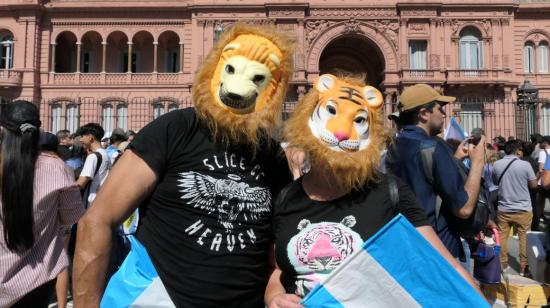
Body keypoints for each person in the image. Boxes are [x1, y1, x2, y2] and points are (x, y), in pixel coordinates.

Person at [73, 23, 294, 307]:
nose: (240, 89)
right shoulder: (175, 129)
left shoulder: (270, 155)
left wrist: (274, 292)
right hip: (156, 299)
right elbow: (97, 220)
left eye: (258, 78)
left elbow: (277, 250)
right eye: (231, 69)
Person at [266, 75, 483, 306]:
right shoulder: (286, 197)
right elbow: (277, 270)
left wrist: (479, 301)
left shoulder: (388, 193)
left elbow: (443, 263)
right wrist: (273, 297)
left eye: (358, 121)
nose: (341, 133)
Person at [386, 83, 486, 266]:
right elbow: (464, 208)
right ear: (424, 114)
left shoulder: (392, 148)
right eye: (439, 108)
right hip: (439, 249)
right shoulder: (434, 146)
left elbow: (421, 181)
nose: (443, 114)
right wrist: (478, 163)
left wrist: (453, 160)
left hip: (404, 245)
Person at [0, 101, 84, 307]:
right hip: (38, 277)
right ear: (38, 130)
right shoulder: (57, 167)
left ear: (3, 130)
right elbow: (72, 216)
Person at [492, 140, 537, 277]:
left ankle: (503, 264)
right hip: (523, 208)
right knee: (524, 237)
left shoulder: (497, 164)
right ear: (517, 151)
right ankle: (524, 267)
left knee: (502, 236)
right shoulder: (525, 164)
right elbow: (534, 185)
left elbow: (495, 182)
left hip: (504, 207)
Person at [75, 123, 111, 207]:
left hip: (91, 203)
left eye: (82, 136)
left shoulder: (92, 157)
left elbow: (81, 183)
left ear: (90, 137)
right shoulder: (106, 154)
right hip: (102, 200)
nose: (80, 140)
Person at [534, 135, 550, 230]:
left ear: (545, 143)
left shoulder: (543, 152)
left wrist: (535, 180)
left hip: (543, 181)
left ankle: (537, 221)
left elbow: (541, 170)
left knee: (540, 202)